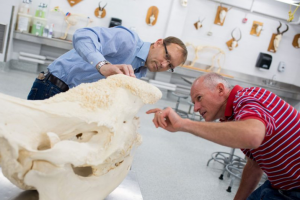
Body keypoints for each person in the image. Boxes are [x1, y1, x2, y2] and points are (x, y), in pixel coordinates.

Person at [147, 72, 300, 200]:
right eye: (194, 102)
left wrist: (185, 124)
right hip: (279, 185)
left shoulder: (247, 98)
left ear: (220, 89)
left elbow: (253, 136)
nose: (195, 108)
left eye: (199, 98)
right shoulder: (235, 116)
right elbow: (255, 165)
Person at [27, 25, 187, 100]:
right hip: (53, 89)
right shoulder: (128, 40)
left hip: (74, 100)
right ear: (159, 42)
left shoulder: (139, 71)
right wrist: (102, 65)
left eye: (170, 66)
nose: (164, 65)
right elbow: (82, 35)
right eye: (167, 57)